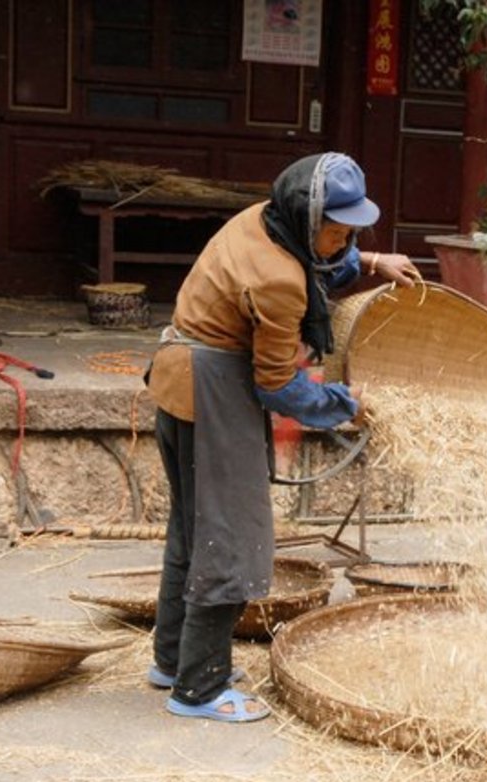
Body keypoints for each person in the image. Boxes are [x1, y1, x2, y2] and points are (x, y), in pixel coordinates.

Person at [143, 152, 418, 722]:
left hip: (181, 376)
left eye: (352, 231)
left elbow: (317, 262)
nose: (342, 241)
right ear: (306, 214)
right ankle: (198, 689)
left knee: (192, 531)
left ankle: (174, 660)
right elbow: (276, 385)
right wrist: (346, 406)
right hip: (211, 391)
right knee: (230, 537)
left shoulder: (264, 220)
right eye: (336, 230)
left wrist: (368, 259)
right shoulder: (278, 280)